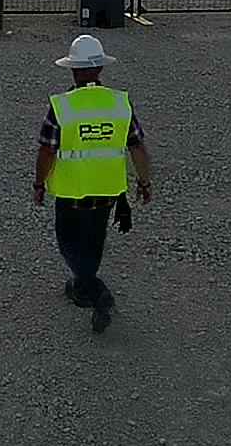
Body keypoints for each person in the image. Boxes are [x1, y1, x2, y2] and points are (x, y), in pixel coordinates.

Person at [32, 33, 153, 332]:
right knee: (94, 240)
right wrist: (144, 182)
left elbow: (47, 150)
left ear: (73, 69)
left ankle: (96, 292)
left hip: (72, 190)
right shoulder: (119, 103)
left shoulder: (63, 106)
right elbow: (137, 146)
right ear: (99, 68)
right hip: (108, 190)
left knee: (69, 242)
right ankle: (81, 286)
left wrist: (39, 183)